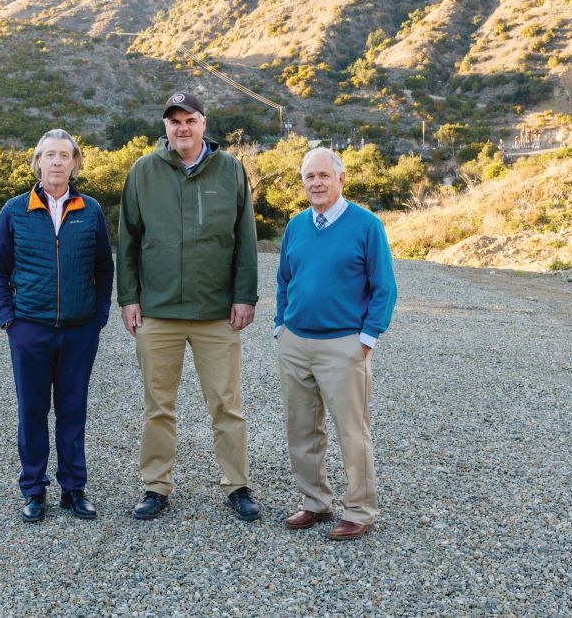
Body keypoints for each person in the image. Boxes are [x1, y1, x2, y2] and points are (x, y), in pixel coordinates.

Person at [117, 92, 260, 521]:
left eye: (190, 119)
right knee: (158, 406)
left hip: (216, 312)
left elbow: (245, 239)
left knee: (226, 405)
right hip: (158, 311)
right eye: (174, 120)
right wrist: (128, 298)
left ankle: (237, 485)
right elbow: (127, 240)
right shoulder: (143, 171)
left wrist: (244, 295)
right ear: (165, 127)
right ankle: (155, 486)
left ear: (204, 123)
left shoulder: (231, 169)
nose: (182, 127)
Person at [0, 129, 113, 523]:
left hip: (78, 331)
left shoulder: (90, 209)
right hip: (30, 331)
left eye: (65, 155)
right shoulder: (14, 210)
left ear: (75, 164)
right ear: (37, 162)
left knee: (73, 411)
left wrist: (97, 318)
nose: (57, 162)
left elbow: (103, 268)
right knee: (33, 411)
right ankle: (34, 490)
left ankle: (74, 489)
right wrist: (9, 318)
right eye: (50, 155)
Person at [275, 147, 397, 541]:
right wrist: (281, 326)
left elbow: (384, 288)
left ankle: (360, 510)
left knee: (351, 430)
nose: (316, 183)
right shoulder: (295, 226)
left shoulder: (366, 225)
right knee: (302, 427)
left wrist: (366, 339)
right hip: (296, 343)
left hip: (343, 345)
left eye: (324, 175)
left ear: (341, 179)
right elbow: (284, 280)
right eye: (310, 176)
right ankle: (314, 502)